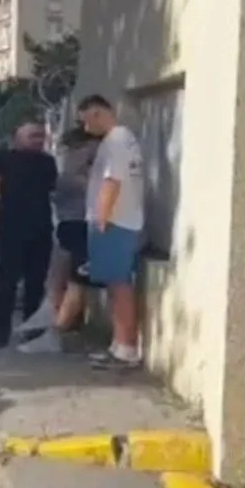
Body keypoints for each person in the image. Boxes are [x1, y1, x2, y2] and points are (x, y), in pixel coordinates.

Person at [17, 126, 104, 353]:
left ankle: (55, 331)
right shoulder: (74, 164)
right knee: (59, 278)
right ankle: (49, 324)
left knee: (74, 281)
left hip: (82, 224)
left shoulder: (87, 162)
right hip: (70, 224)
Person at [78, 94, 145, 368]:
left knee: (119, 286)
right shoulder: (125, 138)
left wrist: (101, 218)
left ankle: (126, 348)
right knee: (117, 285)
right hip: (122, 220)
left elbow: (112, 181)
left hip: (115, 222)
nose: (85, 128)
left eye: (86, 121)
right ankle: (118, 344)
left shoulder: (115, 141)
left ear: (97, 113)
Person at [0, 122, 57, 348]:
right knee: (7, 282)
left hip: (41, 227)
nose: (38, 140)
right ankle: (1, 331)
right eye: (33, 135)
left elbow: (53, 193)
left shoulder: (48, 162)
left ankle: (30, 328)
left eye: (41, 136)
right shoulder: (3, 160)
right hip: (11, 227)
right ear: (18, 137)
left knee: (36, 282)